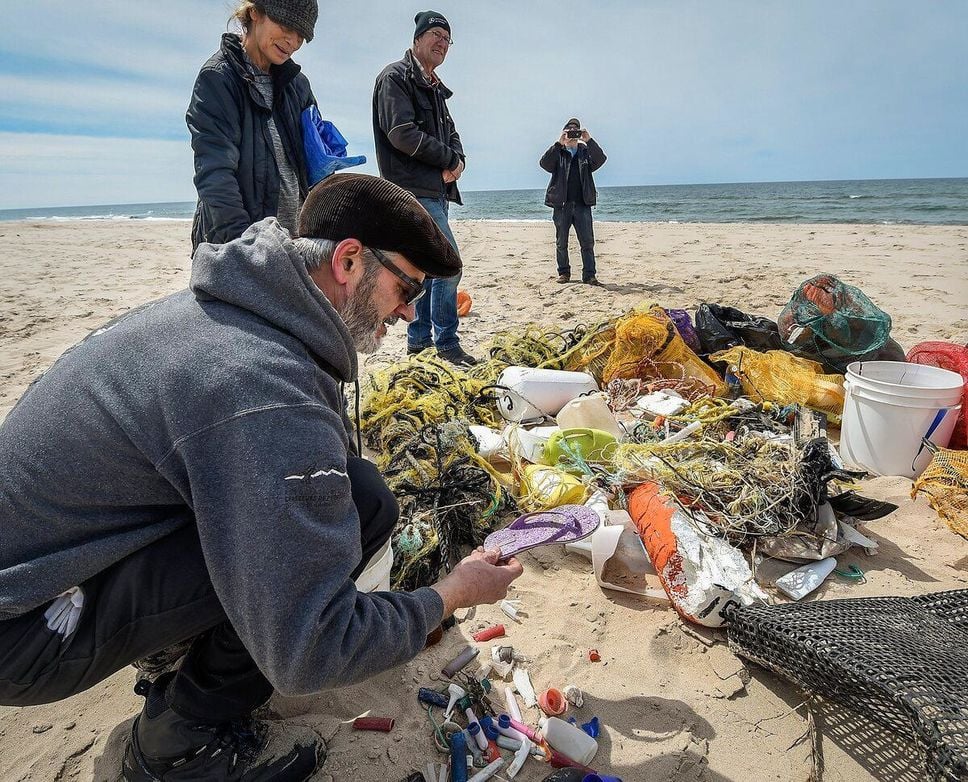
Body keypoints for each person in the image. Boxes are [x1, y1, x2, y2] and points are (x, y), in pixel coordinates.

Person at [0, 174, 523, 782]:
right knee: (327, 535)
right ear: (349, 261)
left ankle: (182, 660)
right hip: (22, 628)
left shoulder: (244, 307)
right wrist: (451, 593)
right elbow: (310, 647)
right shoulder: (261, 385)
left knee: (357, 496)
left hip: (51, 560)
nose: (410, 312)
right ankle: (177, 745)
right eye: (406, 287)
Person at [372, 11, 478, 367]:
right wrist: (448, 158)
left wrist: (458, 160)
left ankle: (419, 345)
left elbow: (453, 136)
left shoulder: (436, 90)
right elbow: (401, 133)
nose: (441, 43)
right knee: (449, 266)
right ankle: (446, 342)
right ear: (417, 39)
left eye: (447, 39)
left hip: (436, 192)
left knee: (427, 270)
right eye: (434, 34)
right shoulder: (396, 78)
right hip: (410, 190)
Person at [186, 0, 319, 253]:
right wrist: (246, 246)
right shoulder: (218, 78)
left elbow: (314, 165)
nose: (293, 41)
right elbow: (215, 173)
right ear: (254, 12)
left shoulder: (298, 85)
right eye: (285, 26)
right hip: (241, 243)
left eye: (301, 35)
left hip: (295, 242)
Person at [539, 118, 608, 285]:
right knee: (561, 242)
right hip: (561, 205)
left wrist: (589, 140)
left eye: (575, 131)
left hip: (583, 204)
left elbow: (601, 159)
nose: (572, 134)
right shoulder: (559, 152)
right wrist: (558, 143)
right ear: (564, 133)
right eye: (569, 131)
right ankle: (564, 273)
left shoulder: (585, 152)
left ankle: (589, 276)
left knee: (587, 242)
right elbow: (544, 164)